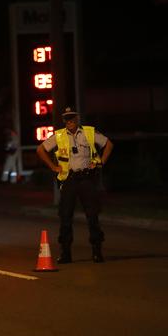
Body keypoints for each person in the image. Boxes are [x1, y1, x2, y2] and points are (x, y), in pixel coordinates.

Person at [36, 107, 114, 263]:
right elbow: (40, 150)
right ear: (64, 121)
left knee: (92, 215)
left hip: (86, 179)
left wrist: (101, 162)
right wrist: (53, 167)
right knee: (65, 216)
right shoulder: (58, 136)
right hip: (69, 179)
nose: (69, 121)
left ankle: (97, 250)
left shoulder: (88, 132)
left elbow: (109, 144)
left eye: (72, 118)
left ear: (77, 119)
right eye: (67, 119)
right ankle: (65, 253)